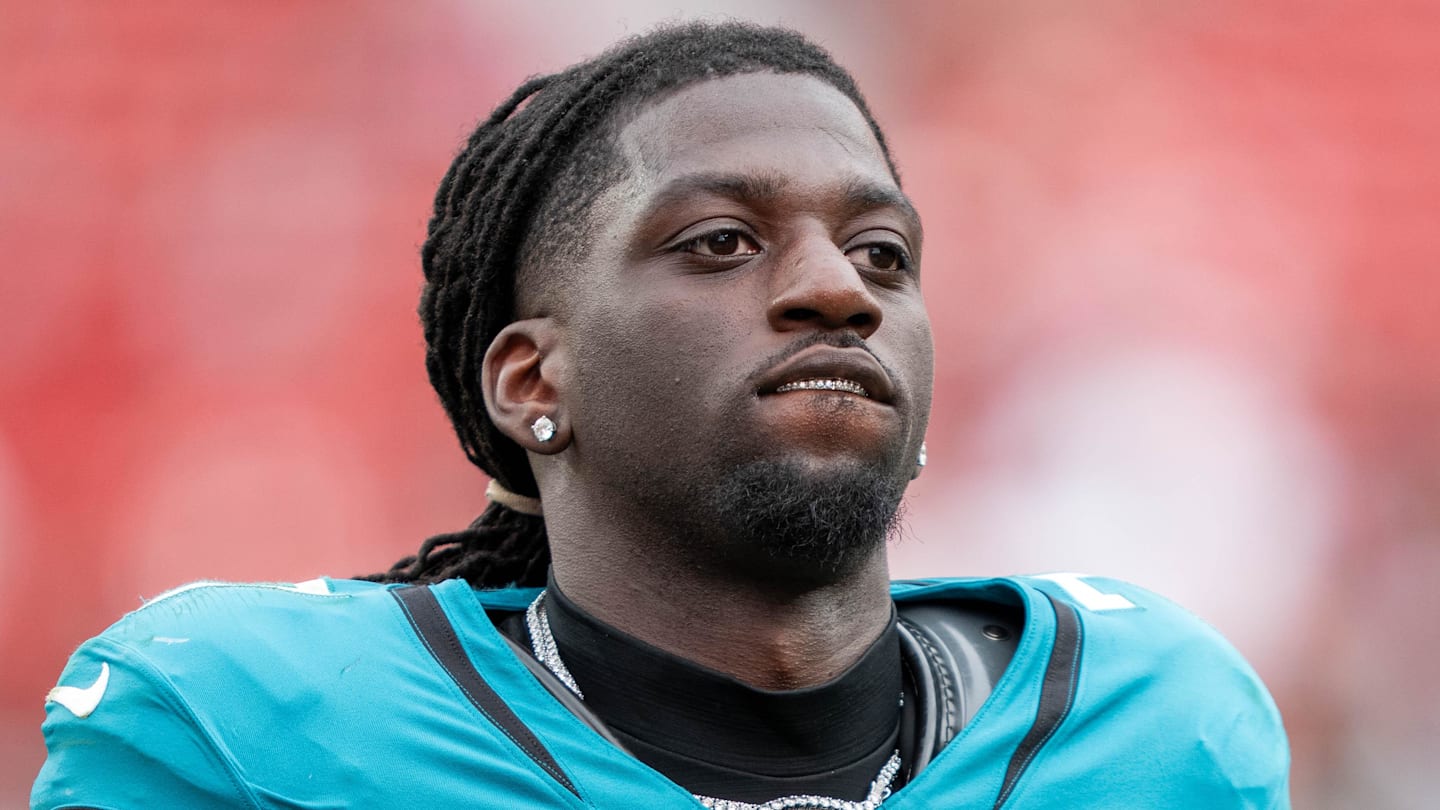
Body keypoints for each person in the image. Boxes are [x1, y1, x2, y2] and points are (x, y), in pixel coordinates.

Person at [33, 21, 1290, 809]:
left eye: (884, 256)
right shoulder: (246, 732)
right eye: (723, 241)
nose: (834, 291)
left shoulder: (1159, 726)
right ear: (535, 381)